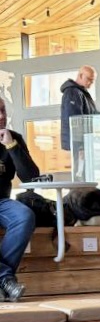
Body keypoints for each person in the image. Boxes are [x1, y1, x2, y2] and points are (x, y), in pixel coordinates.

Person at [0, 97, 40, 301]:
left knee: (25, 216)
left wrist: (12, 146)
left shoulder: (13, 138)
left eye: (3, 110)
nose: (1, 116)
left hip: (2, 202)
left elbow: (31, 177)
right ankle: (5, 280)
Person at [60, 65, 98, 151]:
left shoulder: (81, 92)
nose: (90, 83)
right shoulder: (73, 92)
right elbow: (74, 120)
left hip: (82, 143)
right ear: (81, 75)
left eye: (92, 81)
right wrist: (80, 147)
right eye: (89, 79)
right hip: (78, 145)